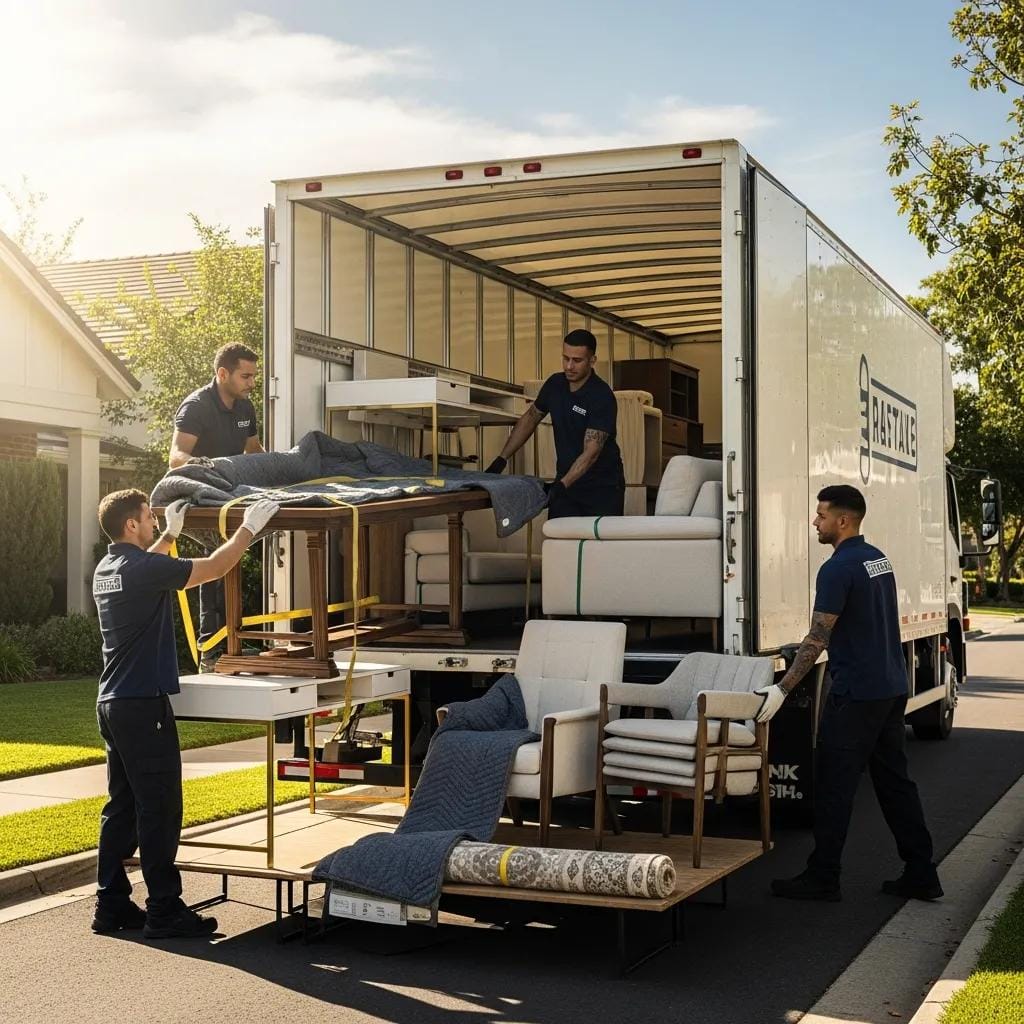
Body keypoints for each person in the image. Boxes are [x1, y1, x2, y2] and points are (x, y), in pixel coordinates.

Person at [91, 489, 279, 938]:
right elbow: (213, 568)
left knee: (122, 808)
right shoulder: (142, 568)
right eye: (149, 519)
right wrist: (249, 528)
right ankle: (164, 910)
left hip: (112, 703)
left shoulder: (108, 568)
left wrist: (171, 536)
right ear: (131, 525)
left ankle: (111, 905)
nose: (155, 523)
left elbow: (149, 566)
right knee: (159, 808)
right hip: (142, 705)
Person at [755, 485, 942, 903]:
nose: (814, 522)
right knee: (895, 784)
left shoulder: (837, 569)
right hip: (890, 688)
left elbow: (818, 637)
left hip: (857, 693)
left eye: (821, 516)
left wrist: (783, 688)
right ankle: (921, 871)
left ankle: (824, 875)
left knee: (835, 786)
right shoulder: (878, 559)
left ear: (842, 520)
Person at [169, 343, 265, 671]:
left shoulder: (245, 408)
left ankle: (233, 643)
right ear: (222, 373)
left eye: (254, 375)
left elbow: (253, 449)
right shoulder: (196, 406)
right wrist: (204, 465)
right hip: (198, 502)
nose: (252, 382)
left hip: (231, 498)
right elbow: (175, 458)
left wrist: (279, 468)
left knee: (232, 560)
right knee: (215, 565)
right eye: (246, 376)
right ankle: (210, 652)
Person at [485, 328, 625, 518]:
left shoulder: (601, 396)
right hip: (566, 482)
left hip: (601, 487)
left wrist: (560, 486)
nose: (569, 366)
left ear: (592, 361)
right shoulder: (555, 385)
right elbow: (531, 417)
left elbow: (591, 453)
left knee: (597, 547)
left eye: (577, 360)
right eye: (565, 358)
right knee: (558, 540)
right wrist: (502, 459)